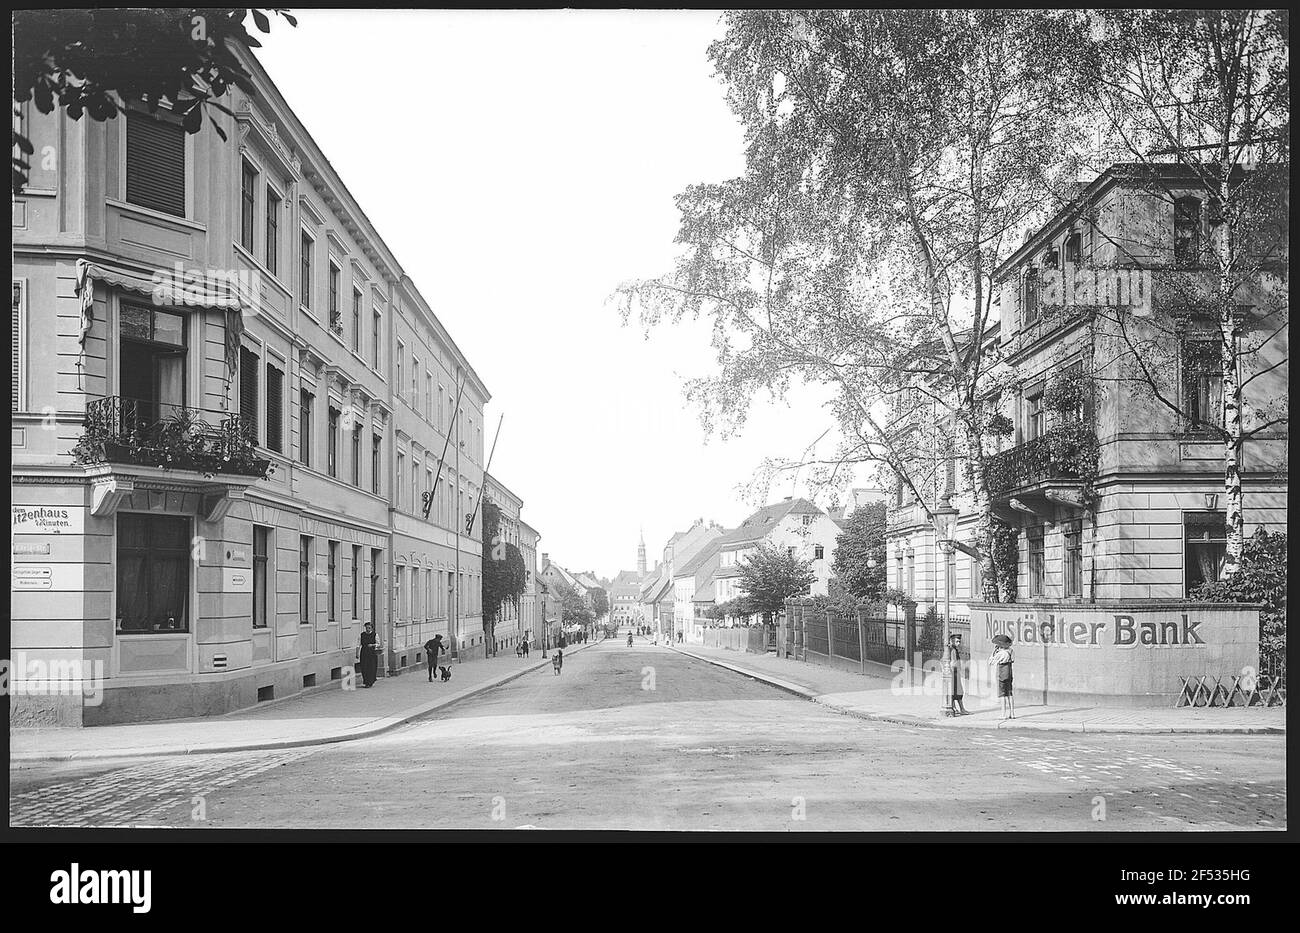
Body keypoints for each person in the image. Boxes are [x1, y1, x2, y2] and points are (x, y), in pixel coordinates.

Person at [990, 636, 1015, 719]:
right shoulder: (1011, 651)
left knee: (1002, 694)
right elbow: (1013, 660)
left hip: (1001, 673)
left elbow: (991, 662)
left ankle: (1003, 713)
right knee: (1009, 693)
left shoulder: (1001, 653)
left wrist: (994, 652)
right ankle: (1012, 713)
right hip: (1009, 673)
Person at [947, 633, 968, 715]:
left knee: (954, 691)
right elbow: (953, 662)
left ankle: (955, 708)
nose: (959, 643)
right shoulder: (953, 650)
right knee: (957, 691)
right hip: (954, 673)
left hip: (955, 673)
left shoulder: (952, 649)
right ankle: (961, 709)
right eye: (957, 641)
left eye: (959, 641)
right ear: (952, 641)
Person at [358, 621, 380, 688]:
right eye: (367, 628)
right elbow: (358, 645)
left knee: (371, 667)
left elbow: (378, 644)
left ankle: (370, 682)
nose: (368, 629)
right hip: (364, 653)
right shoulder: (362, 635)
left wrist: (373, 645)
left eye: (369, 628)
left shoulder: (375, 635)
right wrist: (357, 653)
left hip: (372, 653)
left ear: (372, 628)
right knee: (364, 667)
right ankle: (366, 681)